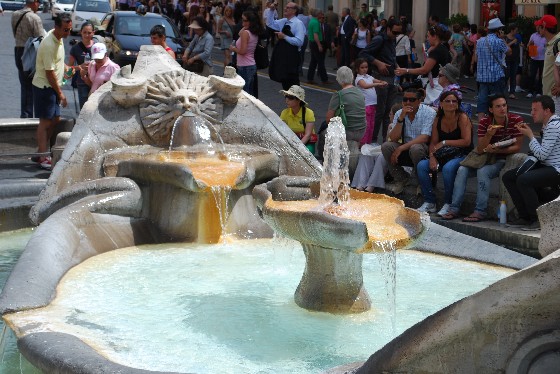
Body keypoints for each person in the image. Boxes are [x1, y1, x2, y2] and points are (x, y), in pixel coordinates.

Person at [441, 95, 523, 222]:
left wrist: (499, 149)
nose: (502, 109)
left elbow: (517, 146)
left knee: (483, 171)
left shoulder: (515, 119)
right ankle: (454, 208)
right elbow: (480, 149)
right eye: (498, 106)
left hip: (502, 159)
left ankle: (480, 211)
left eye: (504, 105)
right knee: (462, 169)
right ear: (491, 109)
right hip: (484, 157)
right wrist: (489, 135)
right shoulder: (485, 122)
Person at [502, 96, 560, 231]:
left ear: (547, 111)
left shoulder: (553, 126)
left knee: (524, 180)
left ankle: (536, 219)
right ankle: (524, 217)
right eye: (532, 109)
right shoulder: (548, 125)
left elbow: (542, 154)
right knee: (509, 177)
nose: (532, 113)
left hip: (556, 169)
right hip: (547, 165)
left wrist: (530, 136)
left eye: (535, 110)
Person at [416, 91, 472, 215]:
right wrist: (432, 157)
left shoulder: (462, 117)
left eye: (454, 101)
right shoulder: (438, 119)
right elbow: (433, 142)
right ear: (441, 104)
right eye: (447, 101)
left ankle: (448, 203)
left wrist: (446, 142)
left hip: (462, 153)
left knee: (448, 168)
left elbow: (466, 141)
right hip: (443, 154)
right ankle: (430, 201)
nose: (451, 103)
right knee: (422, 166)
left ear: (458, 104)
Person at [32, 13, 73, 170]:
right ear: (56, 27)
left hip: (52, 87)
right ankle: (43, 156)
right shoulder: (49, 44)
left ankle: (40, 152)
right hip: (45, 87)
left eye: (69, 29)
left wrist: (70, 69)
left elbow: (58, 63)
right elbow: (49, 73)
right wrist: (60, 93)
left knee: (55, 119)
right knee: (45, 122)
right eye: (65, 30)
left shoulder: (58, 38)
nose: (67, 33)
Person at [381, 88, 437, 195]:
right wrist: (401, 119)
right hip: (406, 146)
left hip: (423, 147)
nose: (407, 102)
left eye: (412, 100)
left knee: (415, 148)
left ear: (419, 101)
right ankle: (401, 179)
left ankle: (421, 181)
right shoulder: (399, 113)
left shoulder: (429, 112)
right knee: (386, 146)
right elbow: (392, 138)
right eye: (405, 99)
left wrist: (401, 148)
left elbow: (424, 137)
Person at [358, 18, 402, 145]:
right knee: (380, 111)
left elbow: (391, 56)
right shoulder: (379, 39)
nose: (396, 35)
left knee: (389, 112)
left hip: (391, 78)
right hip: (381, 78)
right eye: (394, 32)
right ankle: (372, 140)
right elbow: (364, 53)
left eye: (398, 33)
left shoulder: (392, 39)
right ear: (388, 29)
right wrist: (378, 63)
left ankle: (386, 139)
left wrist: (396, 66)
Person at [351, 103, 401, 193]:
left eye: (391, 114)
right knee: (366, 154)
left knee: (382, 157)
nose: (389, 116)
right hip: (386, 149)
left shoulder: (402, 127)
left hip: (396, 154)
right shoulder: (390, 126)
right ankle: (360, 184)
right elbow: (386, 142)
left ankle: (372, 185)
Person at [396, 25, 451, 106]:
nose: (427, 39)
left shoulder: (436, 51)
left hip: (435, 84)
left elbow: (424, 69)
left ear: (434, 36)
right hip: (441, 83)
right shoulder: (443, 48)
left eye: (428, 36)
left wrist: (406, 70)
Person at [470, 18, 510, 122]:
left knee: (482, 102)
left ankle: (482, 126)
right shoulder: (499, 41)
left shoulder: (479, 41)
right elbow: (509, 52)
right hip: (496, 77)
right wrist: (503, 39)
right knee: (498, 103)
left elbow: (476, 58)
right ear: (498, 30)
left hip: (482, 77)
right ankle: (499, 125)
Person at [12, 0, 46, 119]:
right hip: (30, 53)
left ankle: (25, 114)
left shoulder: (15, 14)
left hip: (18, 50)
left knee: (24, 85)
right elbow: (41, 38)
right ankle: (30, 116)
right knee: (34, 85)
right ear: (34, 2)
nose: (39, 6)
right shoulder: (34, 18)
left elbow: (14, 33)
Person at [264, 1, 305, 90]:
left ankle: (297, 103)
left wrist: (285, 36)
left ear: (294, 11)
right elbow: (270, 23)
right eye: (285, 7)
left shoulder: (298, 23)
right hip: (284, 58)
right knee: (285, 84)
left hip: (292, 59)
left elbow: (300, 41)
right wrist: (271, 10)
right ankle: (290, 102)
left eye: (288, 7)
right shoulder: (284, 21)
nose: (285, 8)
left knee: (293, 85)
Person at [325, 66, 366, 142]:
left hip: (347, 132)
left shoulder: (339, 95)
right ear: (352, 77)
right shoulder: (360, 92)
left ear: (338, 79)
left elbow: (328, 119)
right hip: (361, 130)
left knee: (323, 133)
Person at [354, 58, 387, 145]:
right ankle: (362, 144)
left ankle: (367, 143)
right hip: (365, 105)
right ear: (357, 69)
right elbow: (365, 86)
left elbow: (377, 81)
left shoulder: (369, 77)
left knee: (371, 126)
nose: (365, 69)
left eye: (366, 67)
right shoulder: (359, 79)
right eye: (362, 67)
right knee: (366, 126)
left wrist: (382, 82)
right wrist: (378, 84)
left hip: (372, 105)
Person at [229, 10, 261, 95]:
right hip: (249, 65)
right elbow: (239, 33)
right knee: (249, 93)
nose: (242, 22)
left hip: (245, 67)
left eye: (245, 20)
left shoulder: (246, 33)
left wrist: (233, 48)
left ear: (251, 22)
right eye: (242, 19)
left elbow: (242, 51)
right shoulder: (253, 32)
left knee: (244, 94)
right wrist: (245, 26)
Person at [279, 85, 316, 153]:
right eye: (286, 96)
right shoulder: (284, 113)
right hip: (291, 141)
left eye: (290, 98)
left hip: (306, 142)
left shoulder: (309, 113)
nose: (287, 100)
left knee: (307, 153)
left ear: (299, 100)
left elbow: (308, 135)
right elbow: (282, 132)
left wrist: (297, 148)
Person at [68, 22, 95, 110]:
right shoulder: (75, 48)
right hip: (82, 82)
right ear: (81, 32)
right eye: (84, 32)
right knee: (84, 110)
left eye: (89, 33)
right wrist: (80, 67)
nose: (87, 35)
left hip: (96, 81)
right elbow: (69, 69)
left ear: (93, 33)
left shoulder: (97, 47)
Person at [306, 8, 328, 84]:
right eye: (321, 13)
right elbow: (315, 35)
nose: (322, 15)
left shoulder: (312, 21)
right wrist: (319, 45)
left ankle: (310, 78)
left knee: (313, 62)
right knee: (320, 62)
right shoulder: (316, 23)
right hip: (316, 43)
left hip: (312, 43)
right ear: (318, 14)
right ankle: (324, 79)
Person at [526, 23, 546, 98]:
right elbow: (528, 46)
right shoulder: (533, 35)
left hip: (543, 58)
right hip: (534, 58)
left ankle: (539, 91)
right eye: (536, 26)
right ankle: (530, 91)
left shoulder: (545, 36)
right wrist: (529, 44)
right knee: (532, 74)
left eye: (538, 26)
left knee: (541, 75)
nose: (537, 28)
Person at [504, 23, 521, 99]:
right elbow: (504, 47)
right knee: (506, 75)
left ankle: (512, 92)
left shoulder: (517, 38)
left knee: (513, 75)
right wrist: (512, 42)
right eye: (516, 30)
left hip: (515, 59)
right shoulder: (505, 38)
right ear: (512, 30)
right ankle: (503, 91)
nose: (517, 32)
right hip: (507, 59)